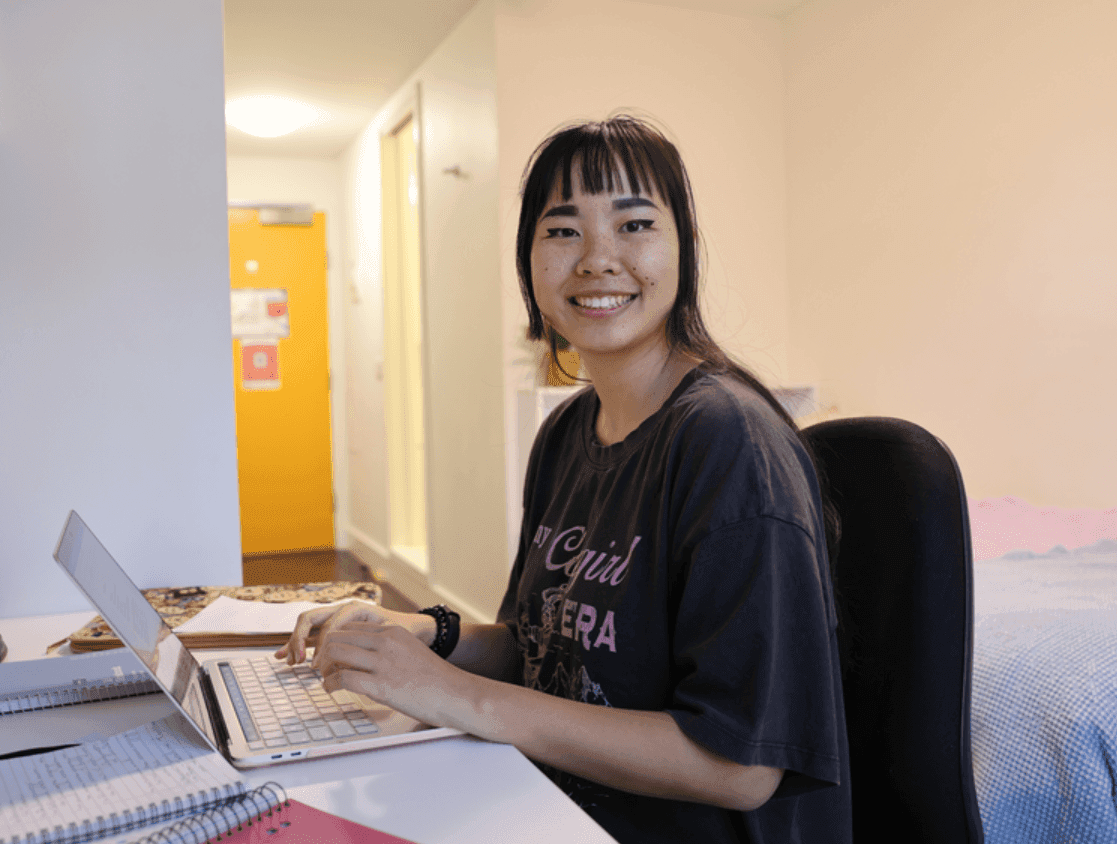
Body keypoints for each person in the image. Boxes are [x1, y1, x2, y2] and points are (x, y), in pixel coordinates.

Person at [277, 114, 851, 844]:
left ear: (684, 252)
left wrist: (455, 696)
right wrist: (424, 634)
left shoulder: (728, 442)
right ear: (529, 264)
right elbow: (542, 647)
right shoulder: (566, 434)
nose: (597, 259)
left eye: (635, 224)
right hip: (552, 802)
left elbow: (738, 766)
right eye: (562, 231)